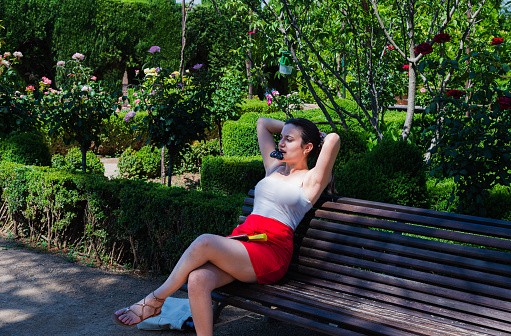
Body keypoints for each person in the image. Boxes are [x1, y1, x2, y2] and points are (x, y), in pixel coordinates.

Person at [112, 117, 340, 336]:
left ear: (307, 147)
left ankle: (154, 300)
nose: (280, 143)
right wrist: (292, 129)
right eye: (281, 138)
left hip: (270, 250)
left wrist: (313, 134)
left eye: (288, 139)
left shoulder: (310, 180)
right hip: (243, 241)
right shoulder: (274, 167)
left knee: (204, 241)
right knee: (197, 279)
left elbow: (333, 139)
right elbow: (262, 122)